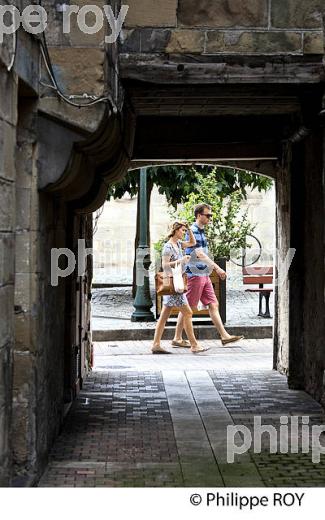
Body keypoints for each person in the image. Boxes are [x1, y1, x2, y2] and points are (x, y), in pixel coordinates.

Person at [172, 204, 244, 347]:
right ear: (199, 215)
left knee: (213, 303)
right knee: (189, 307)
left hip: (203, 274)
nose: (210, 218)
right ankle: (177, 338)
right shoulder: (192, 231)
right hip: (195, 274)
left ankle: (224, 336)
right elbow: (199, 254)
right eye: (208, 215)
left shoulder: (201, 231)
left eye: (211, 215)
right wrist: (217, 268)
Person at [152, 222, 209, 355]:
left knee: (164, 316)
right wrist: (181, 260)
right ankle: (194, 345)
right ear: (176, 230)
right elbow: (165, 265)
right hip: (174, 285)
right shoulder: (168, 247)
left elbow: (192, 242)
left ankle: (156, 344)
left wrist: (189, 228)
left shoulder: (178, 244)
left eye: (184, 231)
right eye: (182, 230)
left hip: (176, 284)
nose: (183, 233)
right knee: (188, 313)